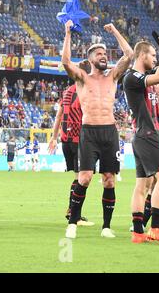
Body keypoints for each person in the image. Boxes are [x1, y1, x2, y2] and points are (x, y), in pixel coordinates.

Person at [62, 20, 133, 239]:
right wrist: (67, 33)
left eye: (105, 53)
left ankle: (106, 227)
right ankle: (73, 222)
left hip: (109, 132)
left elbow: (129, 55)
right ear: (91, 58)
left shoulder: (113, 76)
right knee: (84, 178)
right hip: (89, 132)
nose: (104, 55)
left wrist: (114, 31)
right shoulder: (83, 78)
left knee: (109, 179)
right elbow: (65, 61)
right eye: (99, 53)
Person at [123, 34, 159, 244]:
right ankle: (155, 227)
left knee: (143, 186)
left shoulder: (144, 78)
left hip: (143, 135)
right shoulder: (132, 77)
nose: (155, 59)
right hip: (147, 134)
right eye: (152, 55)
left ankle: (138, 232)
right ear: (142, 54)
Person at [48, 81, 94, 227]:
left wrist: (54, 138)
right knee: (83, 178)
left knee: (78, 177)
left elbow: (58, 117)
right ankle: (75, 216)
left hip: (65, 141)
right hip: (79, 140)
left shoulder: (67, 91)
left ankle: (72, 212)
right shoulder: (85, 91)